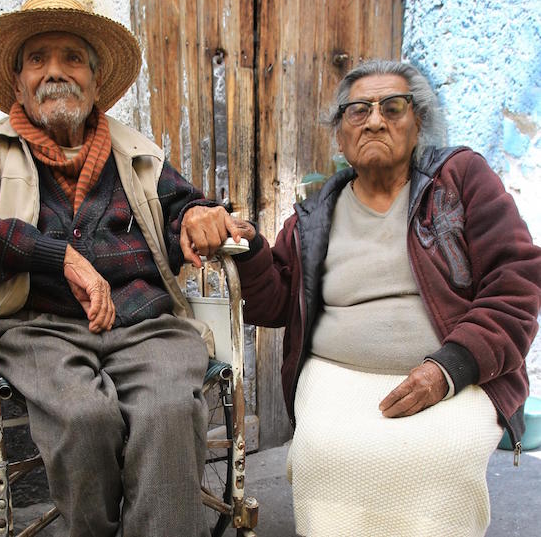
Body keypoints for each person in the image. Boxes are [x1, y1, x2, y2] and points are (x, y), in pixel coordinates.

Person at [0, 0, 239, 537]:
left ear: (94, 81)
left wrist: (200, 218)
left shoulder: (135, 151)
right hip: (38, 326)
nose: (55, 72)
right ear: (19, 81)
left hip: (147, 324)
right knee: (83, 418)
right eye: (38, 60)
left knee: (169, 413)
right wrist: (53, 254)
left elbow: (183, 206)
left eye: (72, 58)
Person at [195, 59, 541, 536]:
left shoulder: (461, 180)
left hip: (456, 373)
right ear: (340, 135)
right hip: (337, 372)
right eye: (359, 111)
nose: (375, 120)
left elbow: (516, 283)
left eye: (393, 107)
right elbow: (274, 304)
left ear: (418, 123)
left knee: (442, 456)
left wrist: (448, 369)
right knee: (326, 453)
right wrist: (253, 248)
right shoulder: (314, 217)